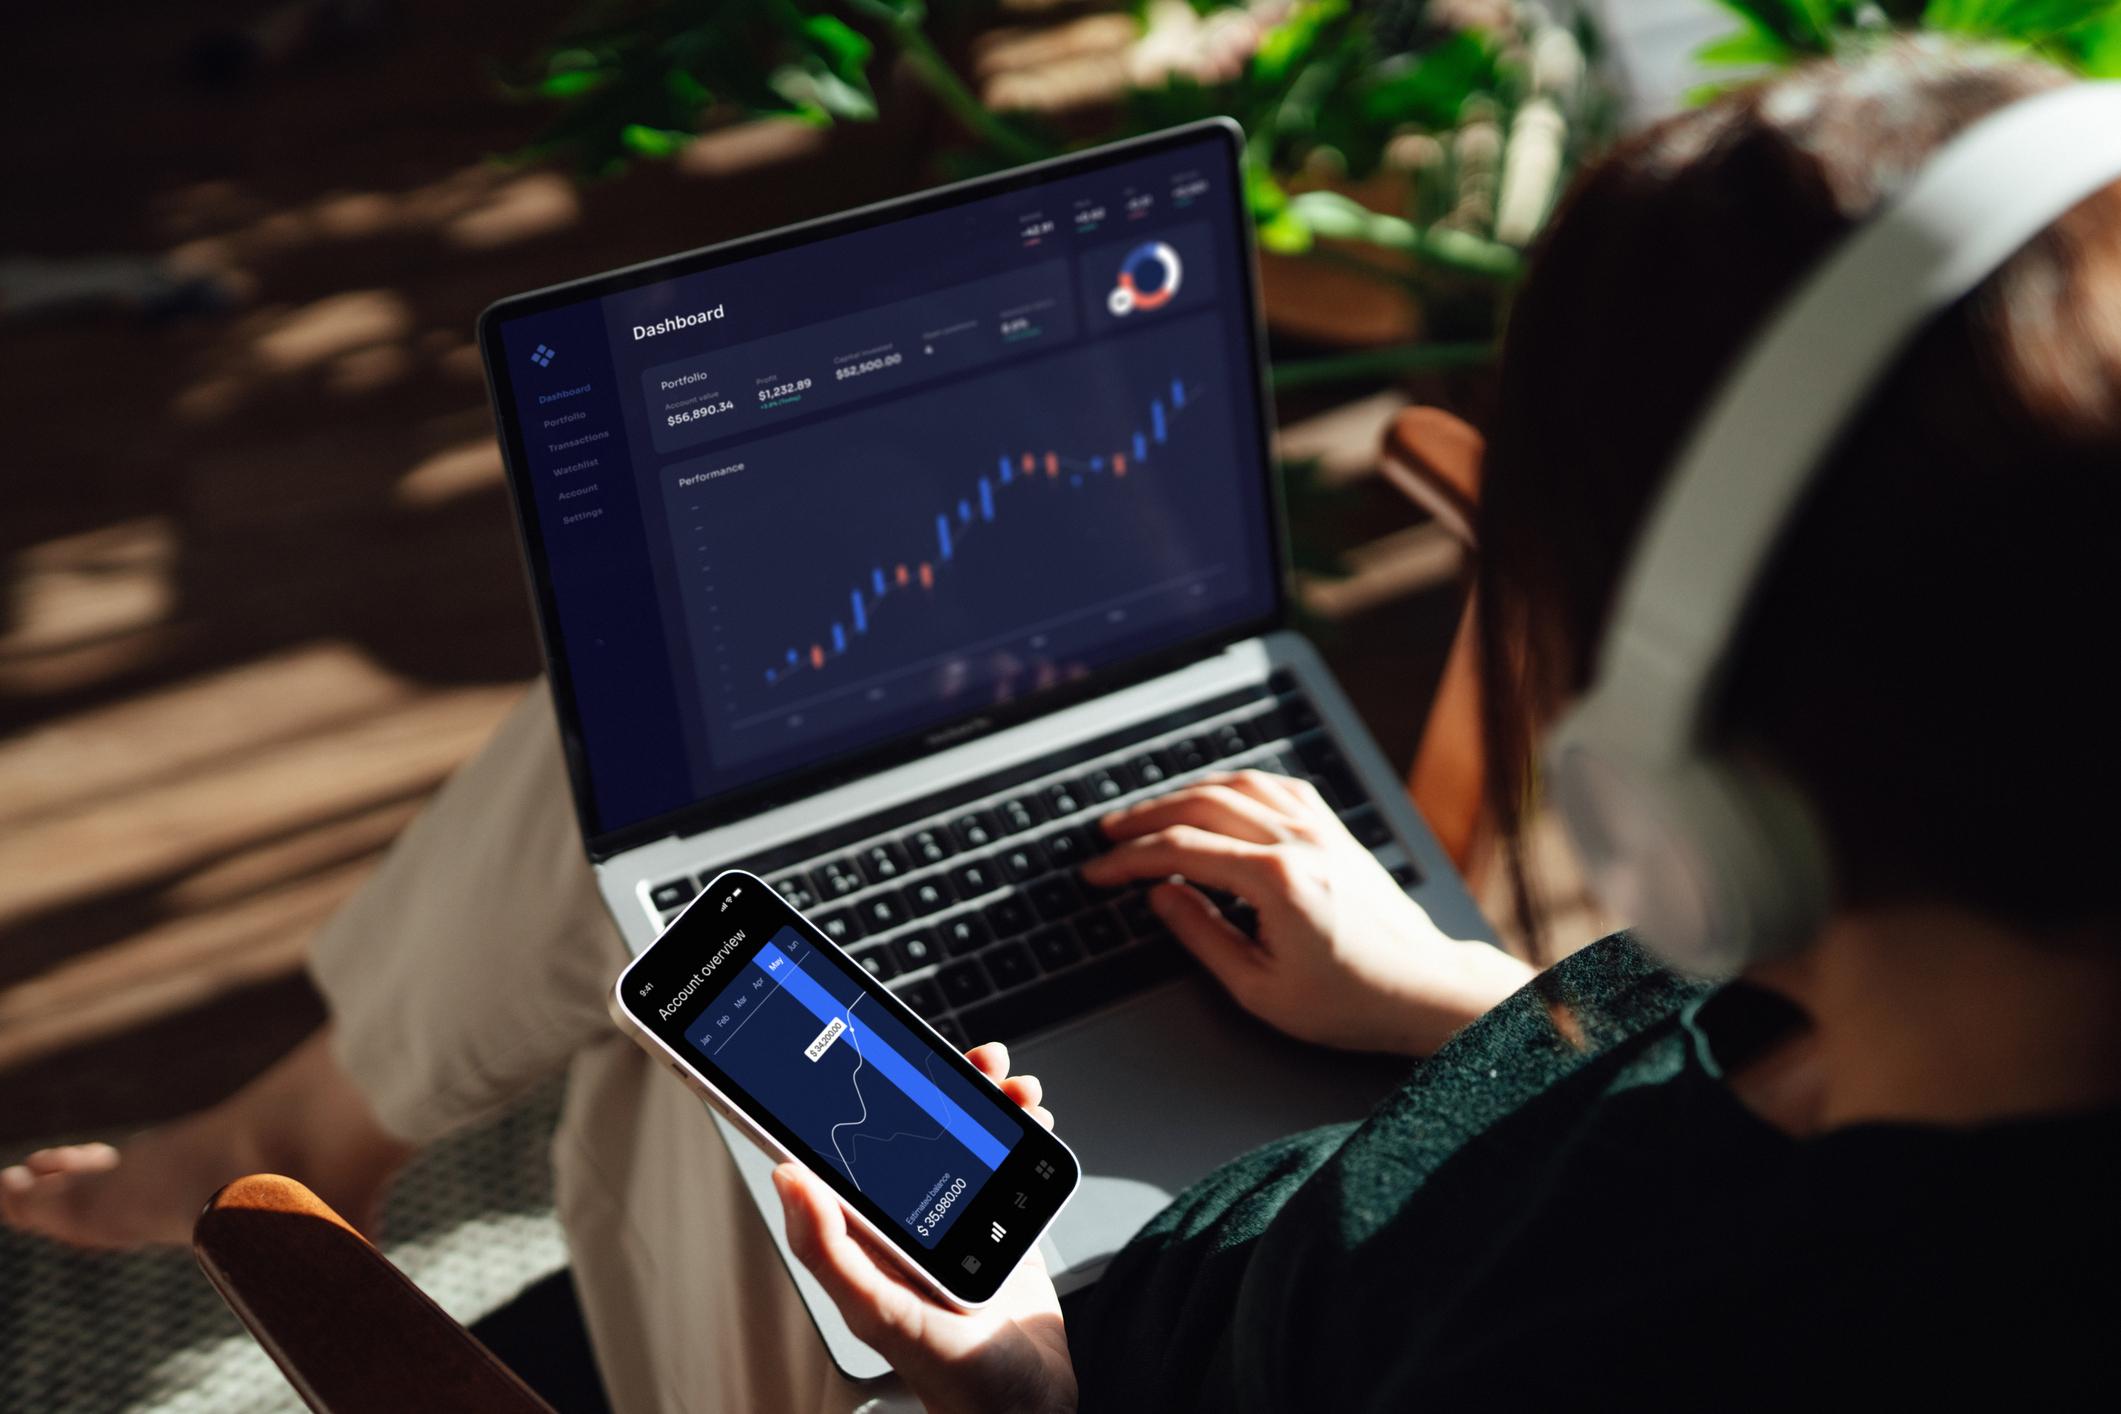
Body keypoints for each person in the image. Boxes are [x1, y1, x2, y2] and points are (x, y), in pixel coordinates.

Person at [9, 36, 2121, 1411]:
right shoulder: (1905, 992)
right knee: (685, 847)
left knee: (666, 952)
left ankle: (291, 1141)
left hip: (1060, 1364)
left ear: (1685, 794)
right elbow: (1676, 1111)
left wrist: (1013, 1376)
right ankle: (304, 1118)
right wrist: (1475, 1002)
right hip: (1249, 1205)